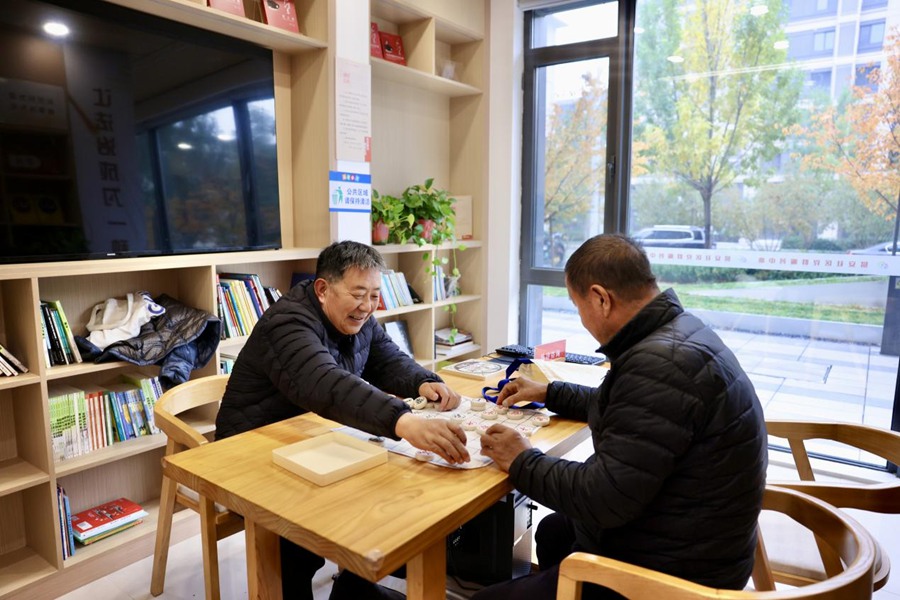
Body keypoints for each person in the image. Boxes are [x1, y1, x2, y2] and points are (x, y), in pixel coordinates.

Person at [476, 233, 768, 600]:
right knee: (553, 531)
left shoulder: (660, 364)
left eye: (577, 305)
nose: (581, 319)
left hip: (677, 577)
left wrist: (522, 460)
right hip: (696, 538)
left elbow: (603, 498)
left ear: (601, 298)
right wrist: (549, 393)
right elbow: (632, 408)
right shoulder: (678, 332)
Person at [215, 240, 470, 600]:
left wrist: (423, 381)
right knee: (299, 540)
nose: (367, 306)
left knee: (387, 492)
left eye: (375, 295)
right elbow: (326, 384)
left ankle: (354, 587)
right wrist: (403, 421)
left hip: (310, 437)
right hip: (250, 451)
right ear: (323, 289)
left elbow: (386, 358)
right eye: (358, 294)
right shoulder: (287, 323)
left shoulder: (357, 317)